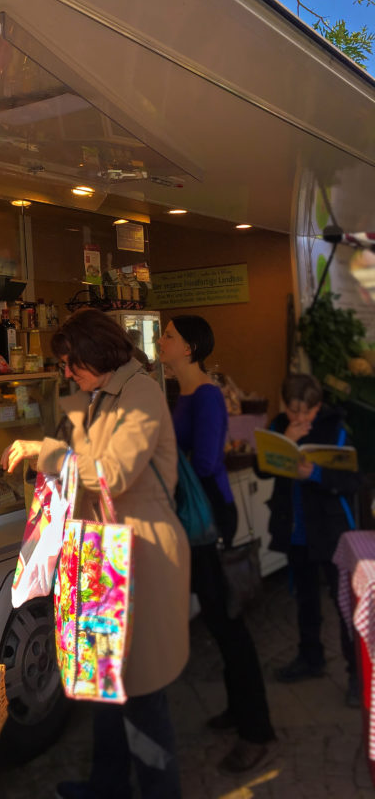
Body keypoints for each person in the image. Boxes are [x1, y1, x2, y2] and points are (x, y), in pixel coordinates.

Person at [2, 308, 190, 799]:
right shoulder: (98, 394)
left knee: (143, 697)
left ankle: (158, 791)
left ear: (96, 352)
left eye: (70, 362)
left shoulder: (142, 392)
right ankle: (107, 785)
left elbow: (112, 473)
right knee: (105, 684)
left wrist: (43, 451)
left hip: (142, 557)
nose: (67, 372)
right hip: (103, 556)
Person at [157, 314, 276, 775]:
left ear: (189, 348)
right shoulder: (184, 393)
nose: (162, 343)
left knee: (228, 622)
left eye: (168, 337)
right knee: (217, 617)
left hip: (210, 515)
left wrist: (168, 462)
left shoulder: (204, 394)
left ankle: (257, 731)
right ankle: (238, 711)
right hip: (197, 516)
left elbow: (205, 461)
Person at [261, 373, 359, 706]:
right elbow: (263, 470)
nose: (300, 419)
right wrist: (284, 437)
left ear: (318, 406)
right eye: (293, 411)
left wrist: (314, 473)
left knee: (343, 602)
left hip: (331, 530)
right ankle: (310, 658)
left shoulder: (335, 428)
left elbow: (351, 480)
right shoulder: (279, 426)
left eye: (307, 412)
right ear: (283, 404)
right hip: (296, 530)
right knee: (305, 599)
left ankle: (357, 674)